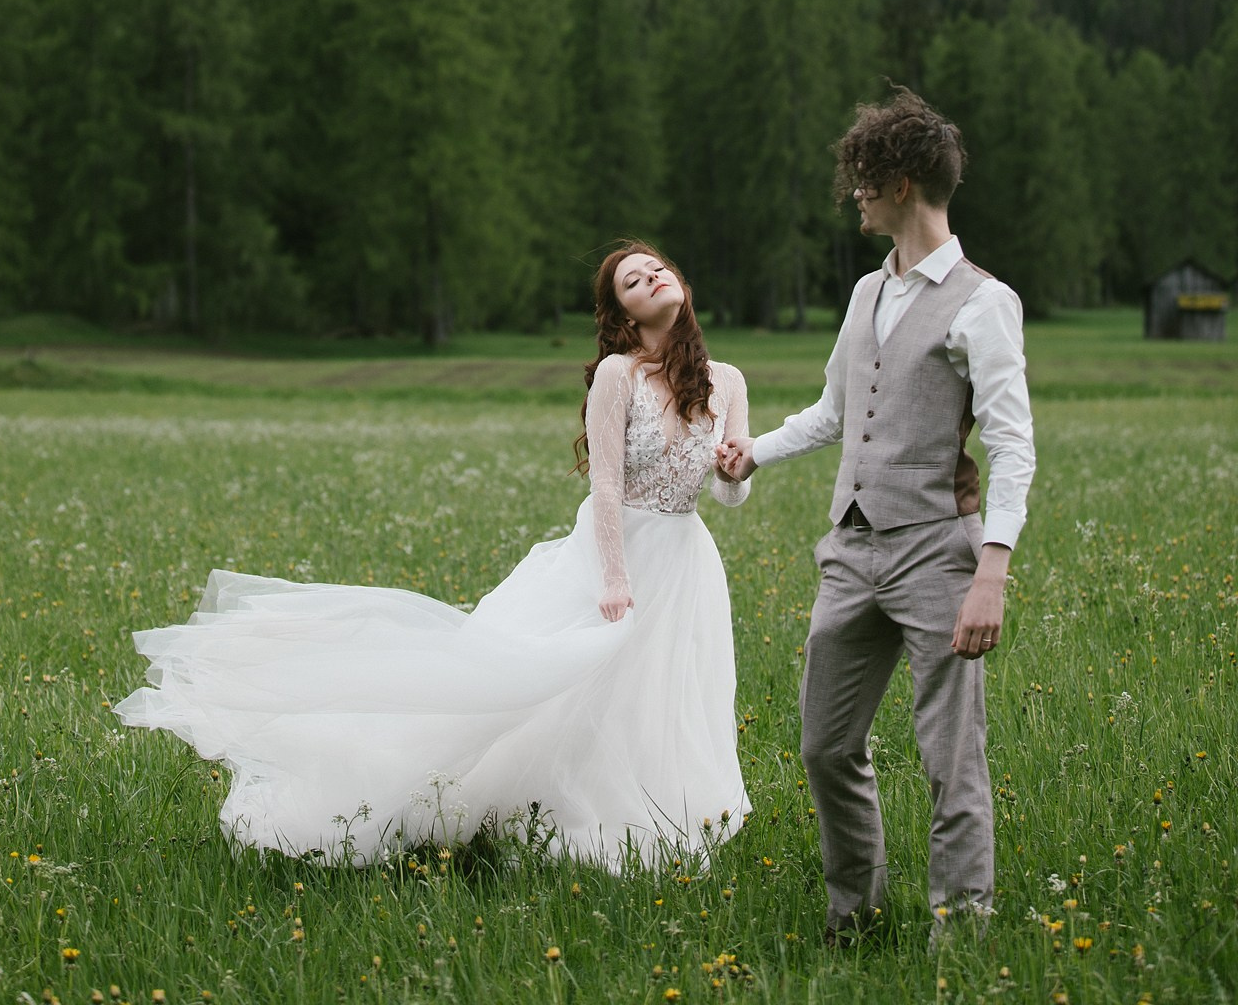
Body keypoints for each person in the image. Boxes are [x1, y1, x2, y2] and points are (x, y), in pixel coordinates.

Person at [115, 240, 753, 869]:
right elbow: (606, 483)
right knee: (550, 683)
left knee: (663, 691)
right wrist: (613, 576)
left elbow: (731, 493)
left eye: (658, 270)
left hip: (684, 559)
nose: (653, 279)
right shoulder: (619, 375)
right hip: (614, 553)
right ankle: (520, 799)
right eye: (634, 283)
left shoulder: (726, 381)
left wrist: (734, 468)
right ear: (625, 317)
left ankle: (659, 808)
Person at [717, 88, 1035, 943]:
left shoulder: (982, 302)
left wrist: (991, 575)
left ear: (900, 184)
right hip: (850, 553)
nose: (852, 194)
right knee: (825, 745)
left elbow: (1014, 446)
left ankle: (961, 935)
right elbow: (832, 409)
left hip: (939, 555)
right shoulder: (866, 293)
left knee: (948, 756)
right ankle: (852, 911)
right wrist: (757, 451)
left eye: (862, 179)